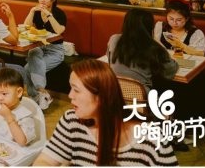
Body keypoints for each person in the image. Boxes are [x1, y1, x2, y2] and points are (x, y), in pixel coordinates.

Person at [33, 59, 177, 166]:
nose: (70, 95)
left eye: (76, 90)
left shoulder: (150, 139)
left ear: (101, 97)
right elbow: (45, 160)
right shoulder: (72, 120)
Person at [107, 8, 178, 92]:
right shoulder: (153, 47)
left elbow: (109, 59)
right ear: (150, 26)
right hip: (142, 96)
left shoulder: (114, 39)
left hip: (115, 93)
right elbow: (171, 71)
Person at [23, 0, 66, 110]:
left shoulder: (59, 13)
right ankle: (42, 94)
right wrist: (31, 12)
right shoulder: (36, 12)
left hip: (56, 50)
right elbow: (25, 27)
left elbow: (59, 31)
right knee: (32, 52)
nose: (42, 0)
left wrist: (49, 15)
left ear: (53, 0)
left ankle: (36, 96)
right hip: (40, 47)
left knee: (27, 68)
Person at [0, 68, 38, 146]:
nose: (0, 98)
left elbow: (22, 142)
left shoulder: (25, 116)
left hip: (16, 151)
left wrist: (10, 119)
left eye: (4, 94)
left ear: (19, 92)